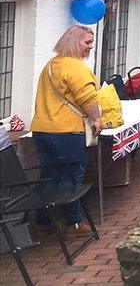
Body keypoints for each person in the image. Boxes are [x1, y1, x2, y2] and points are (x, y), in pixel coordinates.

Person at [30, 26, 102, 235]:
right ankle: (74, 222)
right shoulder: (76, 67)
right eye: (87, 42)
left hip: (42, 129)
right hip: (66, 131)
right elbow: (88, 99)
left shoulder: (51, 65)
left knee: (49, 175)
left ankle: (43, 220)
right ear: (74, 42)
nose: (90, 47)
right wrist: (97, 120)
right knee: (72, 176)